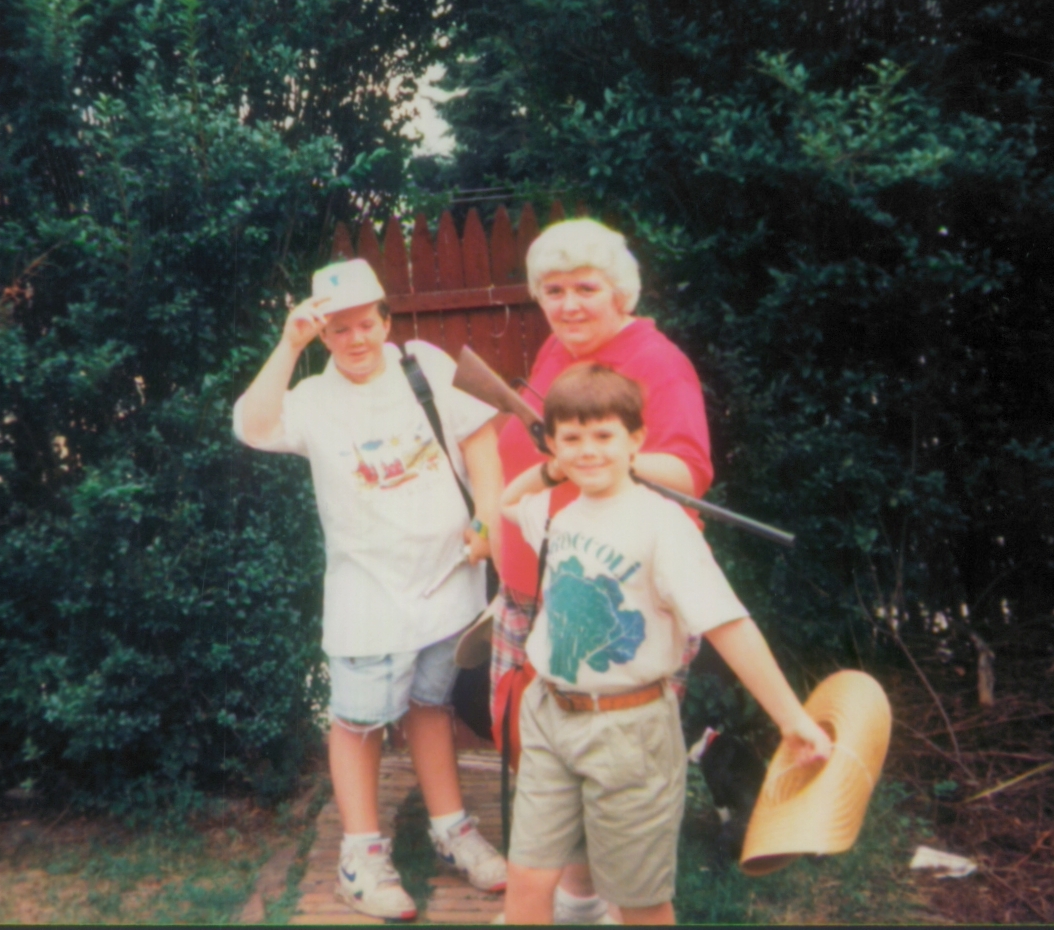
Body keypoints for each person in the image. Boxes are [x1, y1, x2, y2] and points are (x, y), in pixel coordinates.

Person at [500, 364, 831, 925]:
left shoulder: (663, 524)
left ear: (637, 440)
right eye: (571, 438)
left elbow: (728, 624)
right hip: (549, 717)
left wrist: (792, 719)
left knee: (640, 899)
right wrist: (549, 470)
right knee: (528, 877)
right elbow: (508, 501)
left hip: (628, 731)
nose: (588, 451)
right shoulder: (558, 514)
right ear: (551, 443)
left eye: (603, 435)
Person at [233, 258, 508, 921]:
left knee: (431, 705)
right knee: (358, 723)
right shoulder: (311, 399)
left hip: (450, 581)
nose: (355, 339)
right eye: (339, 329)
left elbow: (480, 442)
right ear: (322, 335)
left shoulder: (425, 366)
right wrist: (288, 345)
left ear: (386, 320)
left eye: (366, 324)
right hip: (368, 595)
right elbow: (250, 426)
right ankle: (360, 858)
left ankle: (452, 829)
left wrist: (489, 522)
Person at [493, 219, 712, 924]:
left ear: (620, 292)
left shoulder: (656, 361)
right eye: (553, 290)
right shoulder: (559, 350)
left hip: (618, 594)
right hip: (540, 579)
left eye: (586, 288)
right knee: (545, 746)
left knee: (617, 765)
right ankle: (580, 898)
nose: (569, 304)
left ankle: (618, 902)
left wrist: (578, 458)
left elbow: (689, 472)